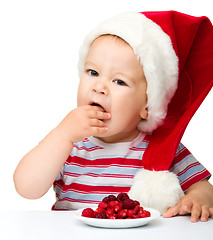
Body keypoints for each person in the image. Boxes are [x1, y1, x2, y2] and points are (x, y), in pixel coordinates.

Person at [13, 11, 213, 222]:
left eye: (119, 81)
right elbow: (26, 188)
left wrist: (198, 199)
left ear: (148, 105)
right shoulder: (69, 144)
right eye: (93, 72)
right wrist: (62, 135)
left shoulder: (164, 148)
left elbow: (203, 187)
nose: (99, 87)